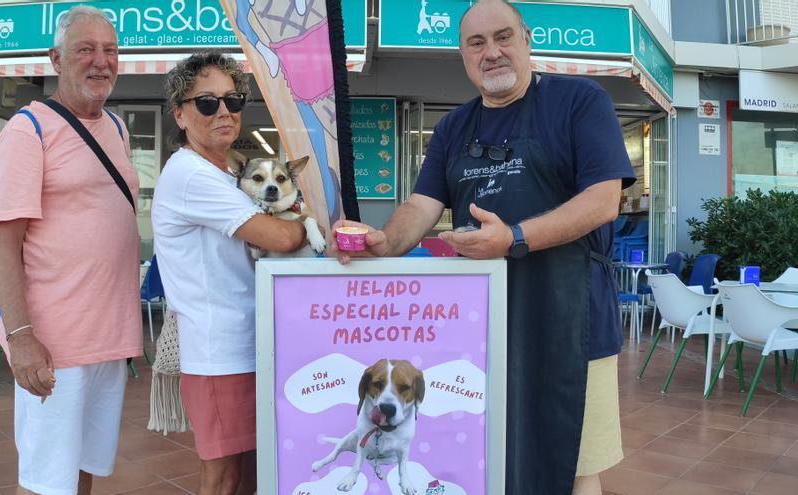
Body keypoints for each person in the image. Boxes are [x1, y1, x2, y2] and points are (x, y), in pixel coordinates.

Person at [330, 1, 635, 494]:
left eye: (503, 37)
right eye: (476, 43)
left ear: (527, 40)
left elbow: (603, 201)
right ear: (464, 55)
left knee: (576, 462)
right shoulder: (454, 127)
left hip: (569, 317)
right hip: (480, 329)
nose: (491, 52)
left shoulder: (580, 100)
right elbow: (421, 204)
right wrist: (387, 241)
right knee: (490, 452)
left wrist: (515, 237)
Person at [0, 6, 142, 495]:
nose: (101, 61)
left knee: (83, 468)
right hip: (55, 343)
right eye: (85, 50)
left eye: (110, 50)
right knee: (44, 479)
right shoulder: (27, 131)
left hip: (109, 336)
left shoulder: (116, 128)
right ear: (56, 59)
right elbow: (3, 244)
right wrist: (23, 337)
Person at [152, 50, 307, 495]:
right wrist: (300, 228)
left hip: (249, 346)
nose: (223, 111)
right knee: (224, 480)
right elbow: (276, 238)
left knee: (256, 473)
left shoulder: (227, 176)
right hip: (219, 351)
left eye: (233, 100)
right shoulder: (190, 175)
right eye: (206, 102)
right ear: (180, 115)